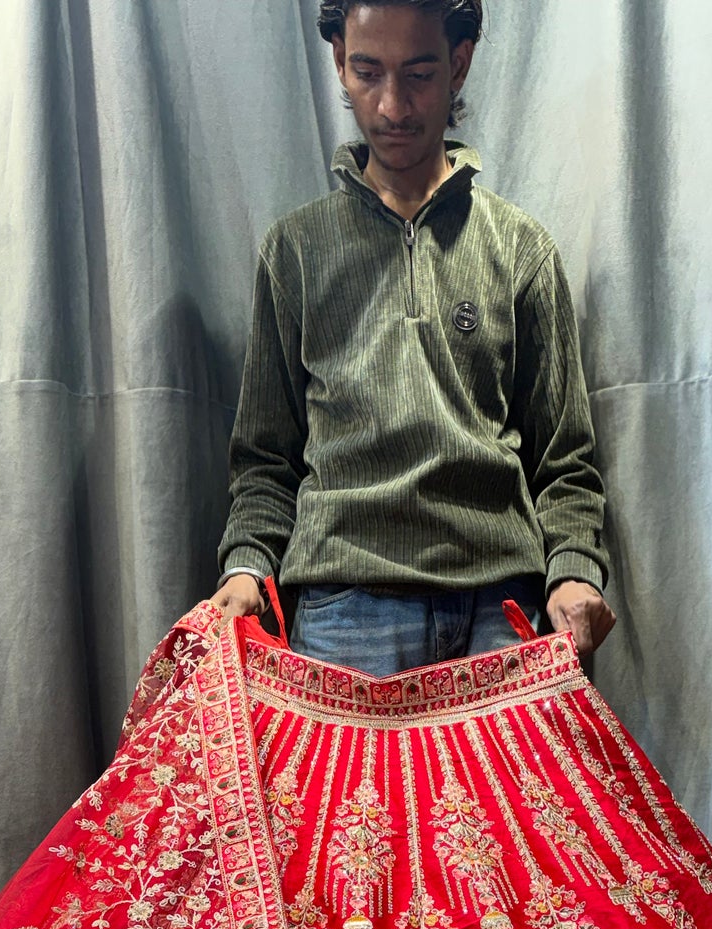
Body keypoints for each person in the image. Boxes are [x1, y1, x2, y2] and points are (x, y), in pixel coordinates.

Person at [210, 0, 617, 671]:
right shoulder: (294, 252)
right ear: (339, 60)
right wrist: (246, 567)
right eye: (367, 71)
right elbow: (264, 461)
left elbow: (564, 463)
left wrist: (573, 570)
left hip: (503, 610)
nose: (392, 106)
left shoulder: (519, 249)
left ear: (459, 64)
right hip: (344, 614)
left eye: (419, 74)